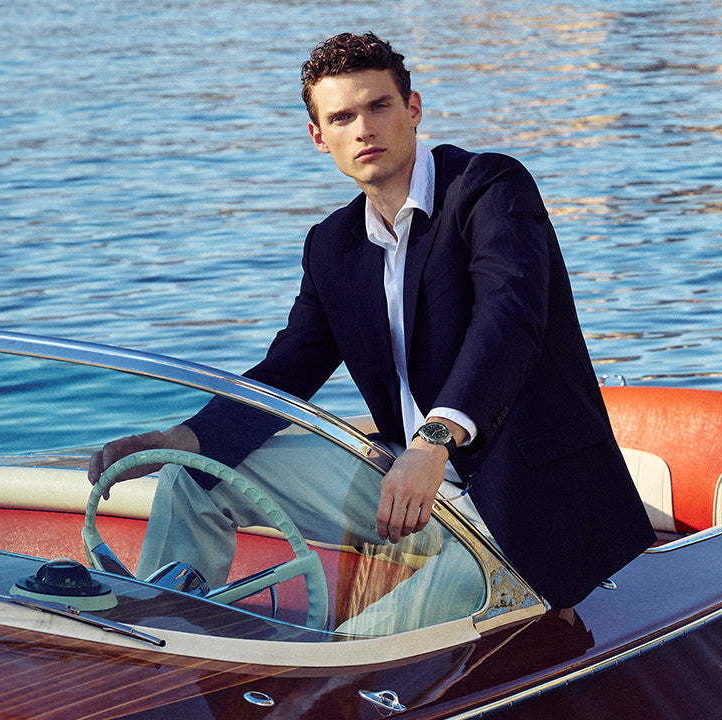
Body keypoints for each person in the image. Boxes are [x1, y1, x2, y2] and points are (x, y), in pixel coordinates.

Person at [89, 32, 655, 611]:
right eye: (341, 117)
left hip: (519, 503)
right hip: (400, 482)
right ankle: (158, 636)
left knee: (367, 658)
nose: (363, 129)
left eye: (378, 106)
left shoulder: (489, 188)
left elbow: (508, 322)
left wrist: (432, 443)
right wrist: (182, 438)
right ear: (318, 136)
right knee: (194, 475)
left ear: (412, 109)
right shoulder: (332, 245)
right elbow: (291, 365)